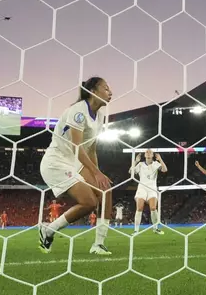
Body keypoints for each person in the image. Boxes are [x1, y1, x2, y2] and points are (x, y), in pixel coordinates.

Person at [38, 77, 114, 255]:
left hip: (75, 162)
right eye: (106, 88)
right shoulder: (78, 111)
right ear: (93, 91)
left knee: (106, 190)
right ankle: (48, 230)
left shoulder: (100, 117)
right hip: (56, 162)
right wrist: (95, 172)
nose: (111, 92)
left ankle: (98, 244)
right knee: (89, 202)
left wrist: (97, 173)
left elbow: (92, 149)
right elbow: (77, 147)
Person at [131, 150, 168, 234]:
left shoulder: (156, 164)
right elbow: (131, 172)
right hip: (142, 188)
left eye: (150, 152)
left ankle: (155, 229)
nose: (148, 153)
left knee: (153, 208)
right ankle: (136, 230)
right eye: (146, 152)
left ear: (152, 155)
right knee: (139, 208)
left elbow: (164, 170)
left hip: (152, 188)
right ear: (144, 155)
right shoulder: (140, 164)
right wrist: (136, 161)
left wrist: (160, 159)